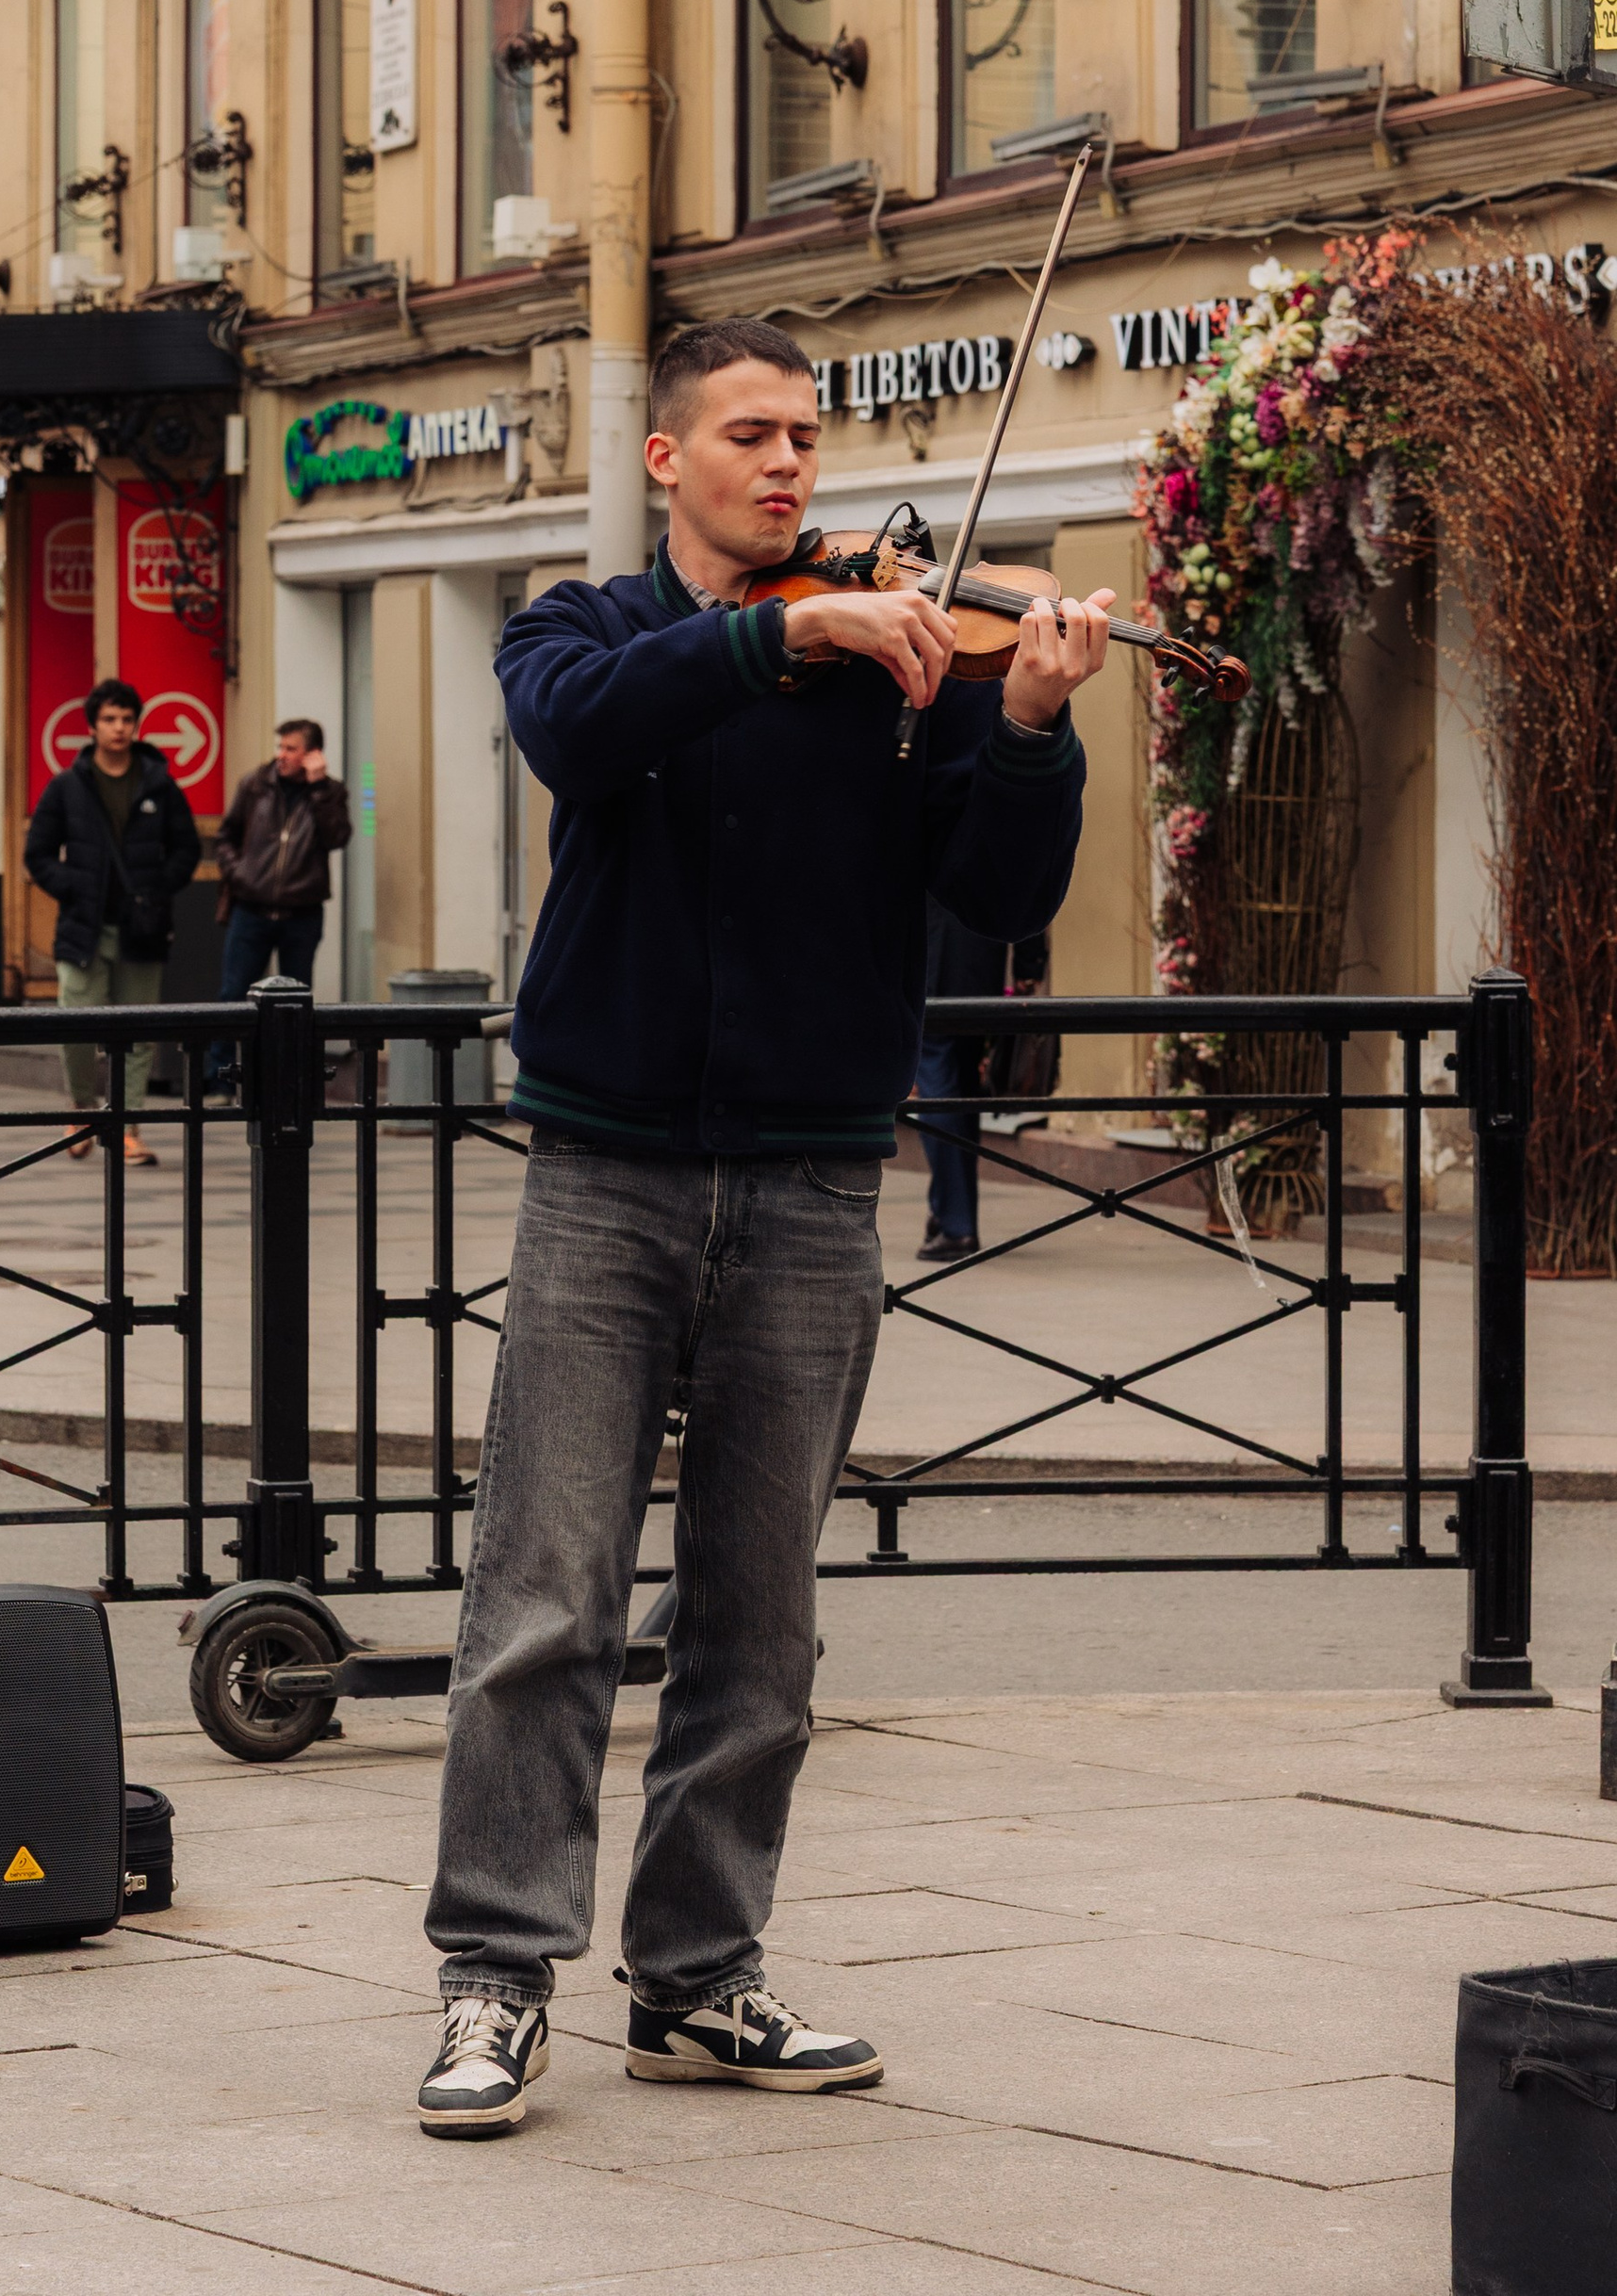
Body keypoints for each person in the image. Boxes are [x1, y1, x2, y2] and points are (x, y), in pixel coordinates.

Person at [415, 317, 1109, 2140]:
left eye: (806, 435)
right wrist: (779, 632)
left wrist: (1025, 727)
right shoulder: (589, 630)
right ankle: (497, 1979)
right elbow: (581, 738)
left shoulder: (914, 658)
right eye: (751, 435)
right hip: (605, 1174)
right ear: (668, 460)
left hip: (812, 1182)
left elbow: (999, 895)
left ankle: (698, 1981)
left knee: (762, 1620)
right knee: (545, 1597)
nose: (789, 465)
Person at [22, 678, 201, 1164]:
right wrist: (73, 885)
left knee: (138, 1031)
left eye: (127, 719)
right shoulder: (67, 786)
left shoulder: (159, 784)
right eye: (109, 720)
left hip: (141, 928)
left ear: (136, 725)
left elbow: (187, 848)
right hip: (83, 926)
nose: (119, 728)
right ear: (93, 726)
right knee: (77, 1024)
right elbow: (36, 853)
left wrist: (157, 887)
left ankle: (127, 1124)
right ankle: (81, 1108)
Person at [906, 901, 1049, 1261]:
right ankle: (947, 1211)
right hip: (980, 964)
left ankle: (956, 1226)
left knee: (939, 1086)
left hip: (928, 959)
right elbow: (1025, 879)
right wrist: (1029, 962)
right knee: (964, 1087)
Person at [217, 717, 352, 1001]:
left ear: (313, 754)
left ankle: (291, 1048)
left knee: (295, 999)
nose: (281, 755)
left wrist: (318, 790)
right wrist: (239, 873)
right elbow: (226, 835)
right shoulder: (255, 785)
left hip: (301, 914)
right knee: (232, 995)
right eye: (281, 747)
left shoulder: (331, 793)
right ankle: (223, 1048)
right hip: (251, 910)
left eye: (291, 749)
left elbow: (336, 838)